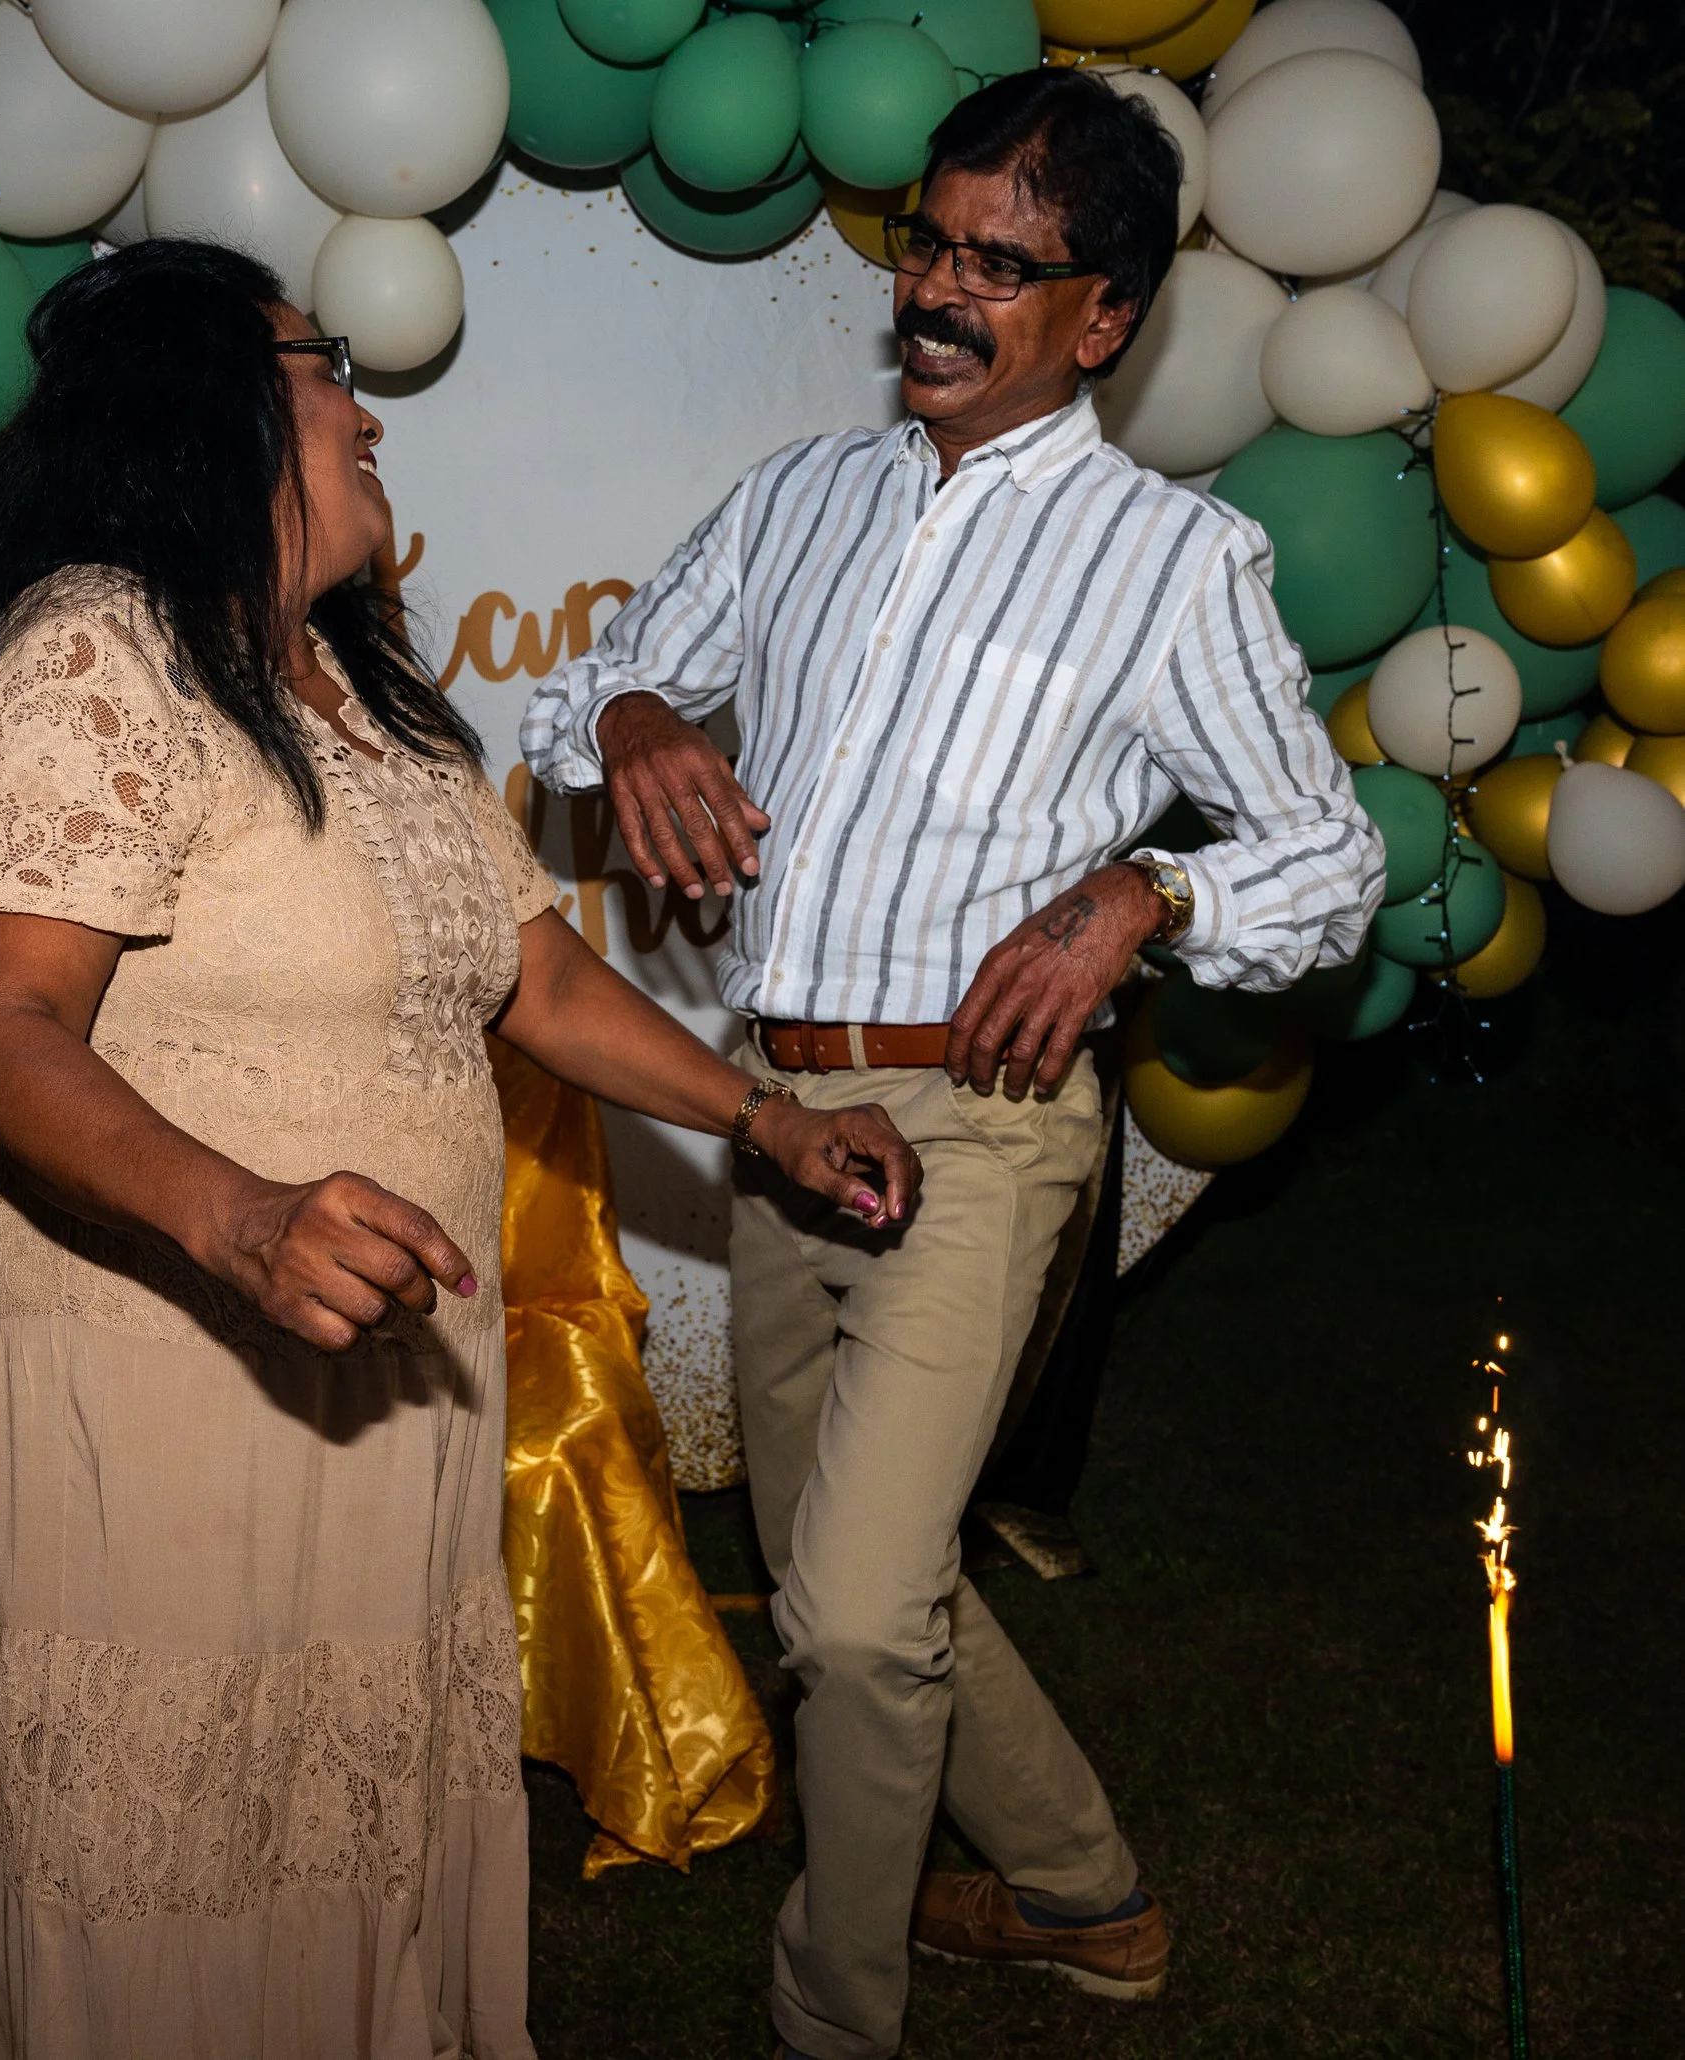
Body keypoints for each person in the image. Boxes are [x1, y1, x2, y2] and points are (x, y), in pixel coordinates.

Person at [0, 238, 921, 2060]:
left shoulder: (356, 691)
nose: (369, 412)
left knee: (331, 1790)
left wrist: (765, 1117)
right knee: (159, 1822)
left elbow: (539, 979)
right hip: (151, 1362)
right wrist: (237, 1222)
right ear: (207, 410)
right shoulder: (86, 657)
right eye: (326, 369)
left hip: (382, 1366)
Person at [521, 68, 1383, 2060]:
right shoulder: (799, 498)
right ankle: (1085, 1893)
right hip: (784, 1116)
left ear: (1102, 317)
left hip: (981, 1126)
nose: (934, 290)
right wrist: (640, 716)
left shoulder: (1168, 561)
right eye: (928, 243)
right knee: (858, 1570)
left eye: (1000, 267)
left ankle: (834, 2014)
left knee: (843, 1611)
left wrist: (1141, 900)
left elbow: (1329, 860)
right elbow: (591, 689)